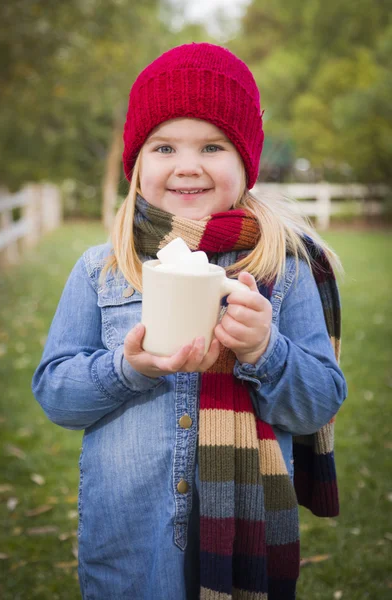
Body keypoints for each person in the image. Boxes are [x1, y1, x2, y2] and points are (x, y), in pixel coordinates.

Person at [32, 43, 347, 600]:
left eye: (211, 145)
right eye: (164, 146)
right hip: (130, 546)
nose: (187, 165)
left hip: (241, 545)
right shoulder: (101, 270)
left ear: (244, 160)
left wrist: (265, 350)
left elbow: (319, 401)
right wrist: (126, 367)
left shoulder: (284, 270)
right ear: (137, 162)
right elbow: (56, 394)